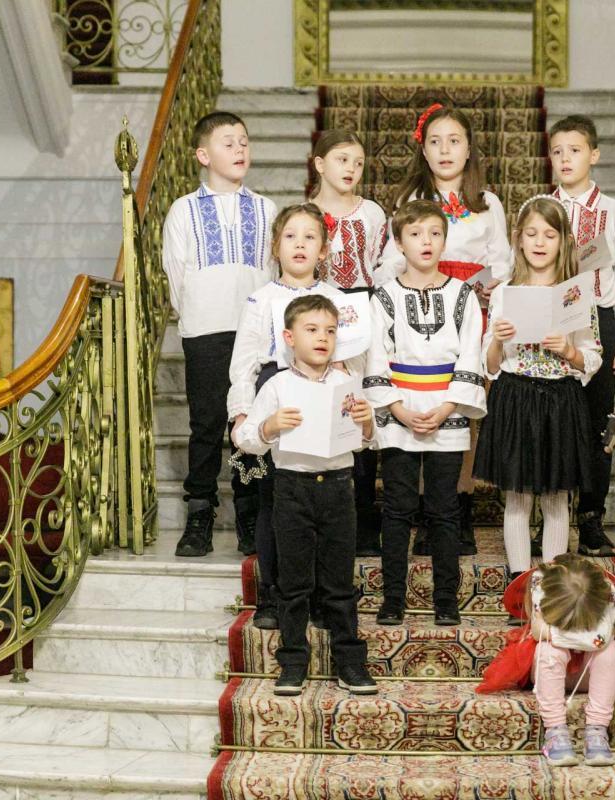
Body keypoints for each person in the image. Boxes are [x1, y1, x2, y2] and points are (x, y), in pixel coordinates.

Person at [499, 114, 615, 558]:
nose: (565, 159)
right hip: (547, 316)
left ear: (593, 155)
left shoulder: (613, 210)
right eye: (558, 151)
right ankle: (544, 519)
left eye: (575, 151)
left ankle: (591, 518)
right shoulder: (540, 206)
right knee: (550, 420)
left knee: (597, 422)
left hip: (597, 316)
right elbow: (517, 261)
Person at [378, 103, 514, 555]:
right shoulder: (410, 200)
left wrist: (486, 287)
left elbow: (502, 262)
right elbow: (392, 259)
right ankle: (425, 510)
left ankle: (458, 511)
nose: (445, 150)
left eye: (454, 141)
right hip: (421, 311)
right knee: (423, 405)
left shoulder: (487, 202)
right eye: (435, 141)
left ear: (469, 148)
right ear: (423, 150)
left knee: (463, 414)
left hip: (471, 310)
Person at [233, 293, 377, 697]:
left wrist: (367, 424)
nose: (322, 338)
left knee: (339, 582)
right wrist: (268, 427)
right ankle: (294, 661)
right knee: (294, 582)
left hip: (338, 489)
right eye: (311, 330)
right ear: (289, 338)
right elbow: (246, 439)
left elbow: (367, 441)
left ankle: (350, 662)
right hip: (292, 489)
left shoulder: (347, 386)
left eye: (330, 331)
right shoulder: (277, 385)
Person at [364, 200, 487, 628]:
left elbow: (470, 354)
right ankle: (392, 599)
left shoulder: (462, 295)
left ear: (445, 240)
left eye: (435, 233)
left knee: (444, 509)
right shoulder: (383, 297)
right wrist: (397, 409)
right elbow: (375, 357)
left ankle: (446, 600)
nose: (426, 241)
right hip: (399, 411)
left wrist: (449, 406)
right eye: (415, 234)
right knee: (397, 508)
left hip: (445, 410)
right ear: (399, 243)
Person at [473, 196, 601, 600]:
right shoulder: (504, 293)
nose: (540, 242)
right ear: (519, 239)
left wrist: (569, 350)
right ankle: (520, 585)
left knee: (556, 496)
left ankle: (553, 588)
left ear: (563, 241)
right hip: (516, 397)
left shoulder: (575, 294)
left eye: (549, 234)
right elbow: (489, 363)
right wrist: (498, 339)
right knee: (517, 496)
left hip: (560, 399)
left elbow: (592, 357)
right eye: (531, 234)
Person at [162, 111, 277, 558]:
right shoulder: (183, 210)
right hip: (205, 329)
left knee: (247, 420)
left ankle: (249, 511)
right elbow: (177, 274)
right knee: (207, 423)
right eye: (228, 143)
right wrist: (196, 315)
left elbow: (271, 273)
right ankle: (200, 513)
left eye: (244, 142)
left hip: (253, 333)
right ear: (203, 155)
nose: (240, 149)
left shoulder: (265, 208)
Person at [227, 204, 344, 627]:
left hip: (324, 396)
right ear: (276, 247)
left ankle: (321, 597)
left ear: (323, 250)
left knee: (323, 503)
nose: (300, 245)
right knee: (275, 502)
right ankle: (274, 597)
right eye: (290, 236)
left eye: (310, 237)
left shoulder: (337, 300)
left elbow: (352, 357)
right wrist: (242, 413)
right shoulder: (261, 300)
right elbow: (244, 364)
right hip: (276, 399)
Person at [477, 554, 615, 768]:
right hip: (551, 674)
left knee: (609, 652)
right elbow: (539, 632)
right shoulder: (541, 591)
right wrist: (587, 638)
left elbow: (611, 629)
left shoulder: (604, 595)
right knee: (549, 650)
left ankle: (597, 730)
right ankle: (555, 731)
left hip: (588, 675)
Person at [308, 130, 389, 556]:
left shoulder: (372, 213)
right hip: (317, 313)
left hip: (363, 311)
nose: (351, 169)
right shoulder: (305, 215)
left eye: (358, 163)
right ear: (320, 164)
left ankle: (364, 516)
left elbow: (384, 264)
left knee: (361, 409)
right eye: (342, 160)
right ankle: (323, 518)